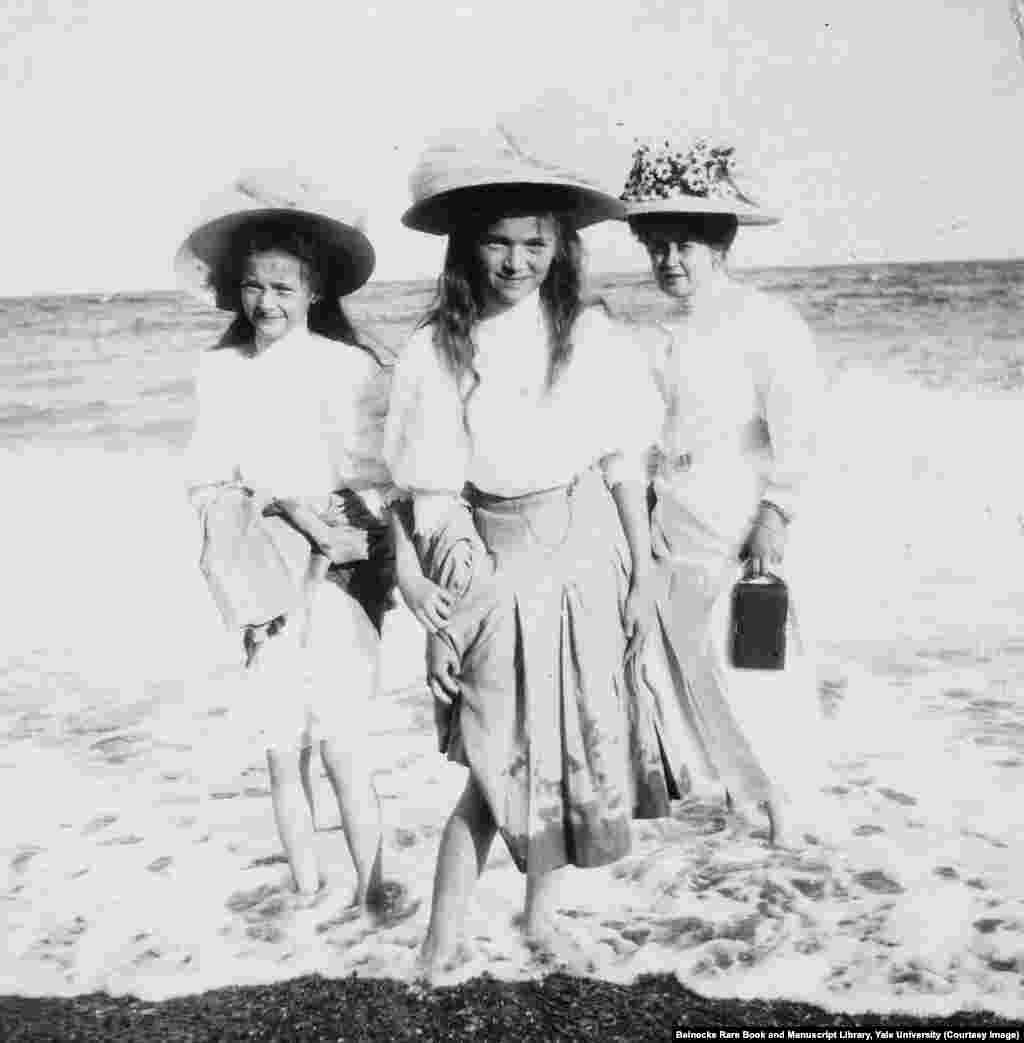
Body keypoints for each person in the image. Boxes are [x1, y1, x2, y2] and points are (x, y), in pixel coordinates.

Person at [385, 128, 682, 981]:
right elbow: (426, 494)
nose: (516, 261)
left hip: (587, 546)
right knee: (493, 754)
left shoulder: (588, 335)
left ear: (560, 246)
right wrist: (437, 606)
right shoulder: (431, 349)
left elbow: (625, 462)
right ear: (466, 244)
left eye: (535, 243)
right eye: (497, 241)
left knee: (555, 749)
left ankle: (540, 920)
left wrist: (642, 570)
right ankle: (440, 939)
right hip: (487, 551)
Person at [178, 170, 407, 914]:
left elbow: (380, 475)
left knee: (341, 736)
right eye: (253, 287)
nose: (266, 303)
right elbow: (208, 478)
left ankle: (373, 886)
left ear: (314, 289)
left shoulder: (351, 367)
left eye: (283, 288)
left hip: (339, 564)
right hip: (261, 562)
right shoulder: (221, 369)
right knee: (283, 745)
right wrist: (278, 510)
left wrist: (336, 528)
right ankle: (308, 894)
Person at [620, 139, 827, 847]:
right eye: (656, 246)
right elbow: (638, 438)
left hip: (741, 522)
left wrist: (777, 510)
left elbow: (799, 431)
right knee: (695, 673)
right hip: (674, 522)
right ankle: (744, 814)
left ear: (719, 243)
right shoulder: (648, 337)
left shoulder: (765, 323)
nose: (669, 260)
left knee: (759, 668)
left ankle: (790, 823)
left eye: (684, 245)